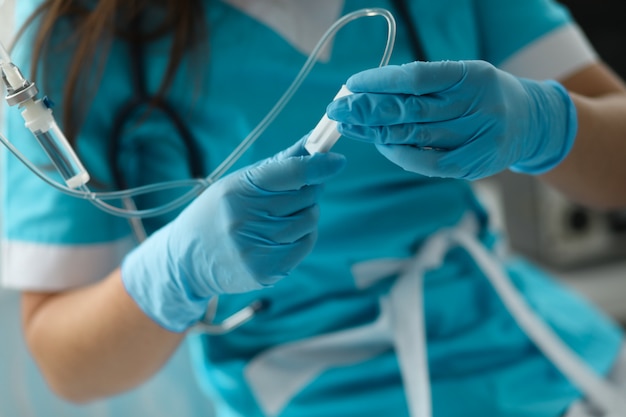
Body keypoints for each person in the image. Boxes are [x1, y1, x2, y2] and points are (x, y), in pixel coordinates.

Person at [2, 0, 626, 416]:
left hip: (538, 356)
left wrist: (547, 123)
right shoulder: (72, 43)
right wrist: (171, 275)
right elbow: (67, 363)